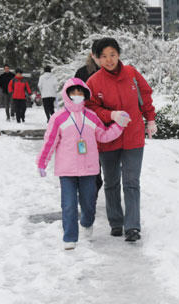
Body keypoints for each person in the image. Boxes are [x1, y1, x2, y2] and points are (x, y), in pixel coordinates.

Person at [36, 78, 131, 250]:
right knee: (69, 204)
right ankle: (70, 238)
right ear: (67, 94)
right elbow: (50, 141)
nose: (77, 96)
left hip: (89, 170)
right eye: (73, 92)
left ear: (85, 94)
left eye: (80, 93)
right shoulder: (59, 118)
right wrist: (42, 162)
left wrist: (120, 125)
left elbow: (103, 136)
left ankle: (87, 222)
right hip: (67, 170)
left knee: (88, 203)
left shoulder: (92, 116)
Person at [86, 37, 157, 242]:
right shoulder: (94, 82)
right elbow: (91, 109)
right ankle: (116, 222)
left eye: (113, 55)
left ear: (118, 54)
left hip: (133, 137)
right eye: (104, 57)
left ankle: (132, 226)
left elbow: (145, 96)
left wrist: (150, 119)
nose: (109, 60)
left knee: (131, 182)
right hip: (108, 139)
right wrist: (111, 116)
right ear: (97, 59)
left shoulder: (131, 74)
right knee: (111, 182)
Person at [75, 39, 104, 198]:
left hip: (108, 124)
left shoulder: (114, 72)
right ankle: (90, 193)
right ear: (92, 55)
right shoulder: (83, 72)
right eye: (99, 54)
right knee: (91, 161)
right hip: (87, 125)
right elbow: (74, 97)